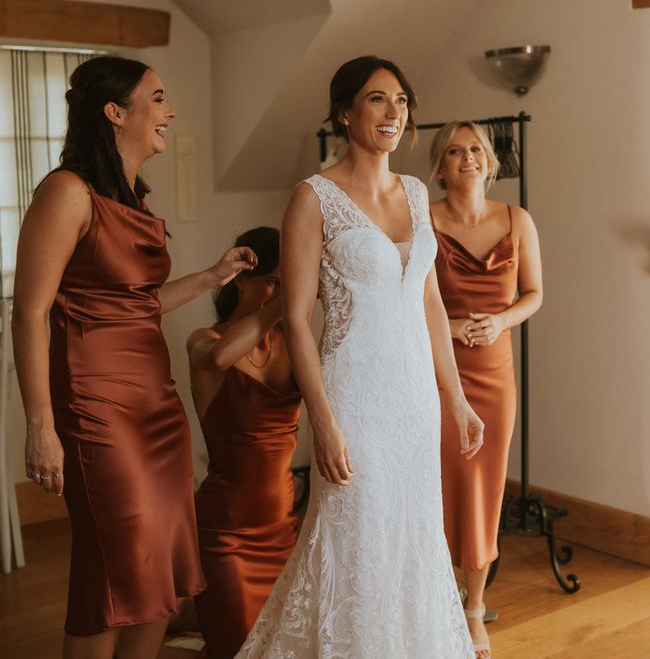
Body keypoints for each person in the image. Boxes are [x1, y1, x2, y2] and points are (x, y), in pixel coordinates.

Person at [235, 56, 483, 658]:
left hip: (414, 401)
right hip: (354, 398)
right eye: (377, 99)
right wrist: (322, 422)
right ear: (345, 112)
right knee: (355, 539)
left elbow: (429, 302)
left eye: (401, 101)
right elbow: (295, 318)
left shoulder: (418, 192)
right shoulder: (312, 197)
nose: (393, 112)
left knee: (411, 538)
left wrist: (456, 398)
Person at [12, 55, 256, 659]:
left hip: (157, 405)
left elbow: (134, 304)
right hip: (96, 408)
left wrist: (212, 276)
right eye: (159, 98)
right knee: (113, 569)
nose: (170, 112)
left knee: (163, 566)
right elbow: (29, 313)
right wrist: (41, 426)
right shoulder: (66, 192)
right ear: (116, 112)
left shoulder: (130, 198)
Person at [429, 121, 542, 658]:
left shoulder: (517, 220)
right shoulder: (422, 220)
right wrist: (448, 327)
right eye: (454, 151)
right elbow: (407, 298)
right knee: (440, 481)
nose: (467, 157)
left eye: (476, 149)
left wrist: (500, 323)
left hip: (495, 372)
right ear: (440, 166)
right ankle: (435, 594)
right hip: (437, 369)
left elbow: (535, 294)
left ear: (491, 161)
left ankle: (473, 607)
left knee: (485, 486)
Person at [187, 227, 300, 659]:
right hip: (225, 535)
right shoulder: (205, 340)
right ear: (240, 279)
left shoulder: (293, 343)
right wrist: (283, 305)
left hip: (284, 529)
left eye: (284, 281)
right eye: (271, 280)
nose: (278, 291)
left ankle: (187, 620)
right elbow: (219, 359)